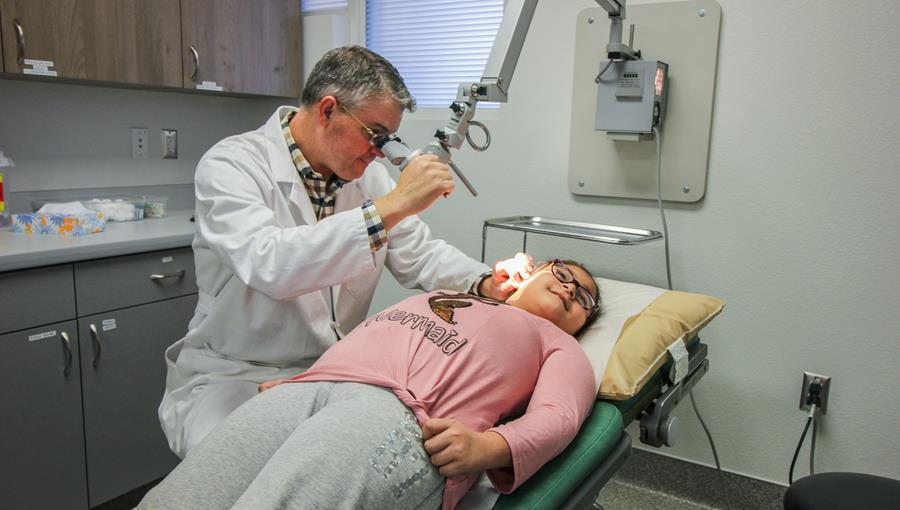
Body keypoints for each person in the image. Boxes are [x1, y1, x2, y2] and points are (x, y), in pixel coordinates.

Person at [159, 45, 534, 458]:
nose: (380, 151)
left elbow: (419, 253)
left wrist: (485, 282)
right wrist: (393, 206)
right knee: (242, 475)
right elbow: (271, 264)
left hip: (330, 373)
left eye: (388, 138)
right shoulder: (231, 165)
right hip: (235, 375)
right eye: (374, 134)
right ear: (328, 111)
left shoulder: (367, 178)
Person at [139, 259, 601, 510]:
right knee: (184, 494)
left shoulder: (559, 345)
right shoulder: (456, 294)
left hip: (401, 415)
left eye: (583, 298)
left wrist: (490, 448)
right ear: (532, 271)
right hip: (314, 387)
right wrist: (303, 380)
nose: (569, 290)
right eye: (562, 274)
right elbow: (371, 335)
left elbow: (557, 416)